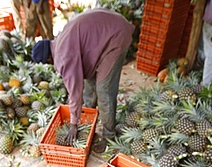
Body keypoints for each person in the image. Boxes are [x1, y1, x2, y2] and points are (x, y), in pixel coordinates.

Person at [31, 8, 135, 153]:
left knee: (104, 90)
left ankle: (109, 136)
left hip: (115, 36)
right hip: (111, 25)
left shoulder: (63, 58)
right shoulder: (60, 39)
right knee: (90, 84)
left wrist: (73, 124)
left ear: (48, 59)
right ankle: (90, 120)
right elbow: (82, 76)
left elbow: (75, 93)